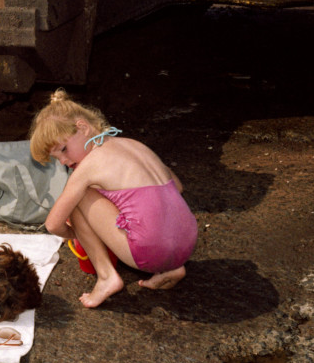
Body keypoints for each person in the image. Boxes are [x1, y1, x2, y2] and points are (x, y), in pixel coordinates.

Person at [30, 90, 198, 309]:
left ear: (83, 127)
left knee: (78, 196)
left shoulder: (89, 166)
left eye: (63, 149)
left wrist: (77, 233)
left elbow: (53, 224)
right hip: (187, 241)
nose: (63, 161)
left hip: (150, 251)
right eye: (56, 158)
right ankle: (171, 266)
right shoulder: (134, 145)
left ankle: (106, 276)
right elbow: (178, 186)